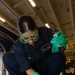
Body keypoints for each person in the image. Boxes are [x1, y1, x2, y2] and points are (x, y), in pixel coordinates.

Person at [2, 15, 67, 75]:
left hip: (44, 67)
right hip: (28, 70)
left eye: (33, 36)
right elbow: (25, 66)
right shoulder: (18, 45)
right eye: (26, 38)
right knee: (7, 57)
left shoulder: (45, 32)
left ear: (37, 30)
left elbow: (58, 44)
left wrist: (60, 43)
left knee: (59, 57)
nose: (31, 41)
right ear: (20, 35)